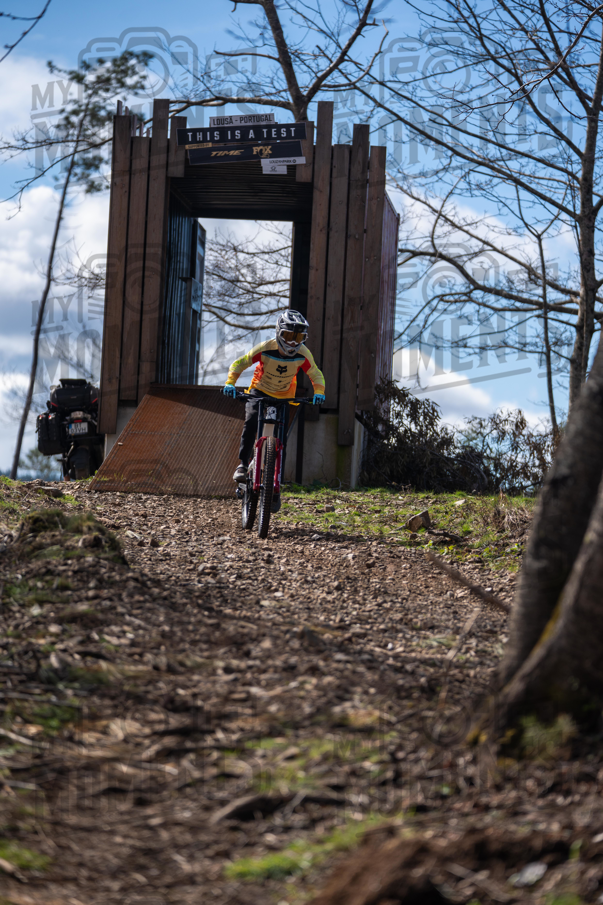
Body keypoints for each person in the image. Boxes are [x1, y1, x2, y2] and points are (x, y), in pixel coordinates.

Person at [222, 311, 325, 508]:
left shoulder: (304, 354)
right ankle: (243, 465)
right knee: (251, 422)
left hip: (284, 397)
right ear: (279, 333)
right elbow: (240, 363)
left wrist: (319, 391)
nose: (294, 343)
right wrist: (230, 383)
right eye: (289, 336)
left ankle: (275, 487)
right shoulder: (265, 348)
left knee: (281, 441)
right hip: (259, 392)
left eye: (299, 338)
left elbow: (315, 373)